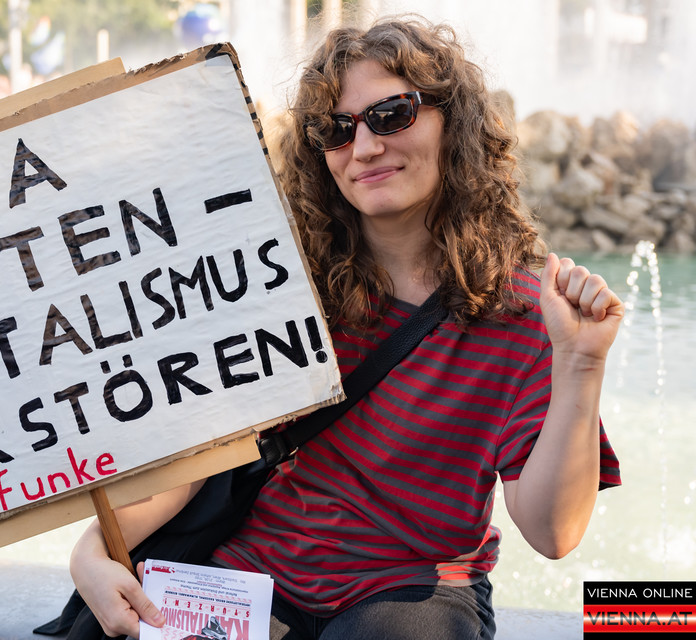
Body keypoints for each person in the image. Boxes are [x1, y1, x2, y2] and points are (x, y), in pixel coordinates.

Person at [69, 16, 623, 640]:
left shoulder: (525, 311)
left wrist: (582, 366)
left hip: (410, 592)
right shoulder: (275, 283)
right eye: (335, 129)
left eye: (392, 115)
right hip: (250, 577)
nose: (364, 148)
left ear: (454, 124)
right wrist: (92, 551)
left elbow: (553, 533)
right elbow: (198, 460)